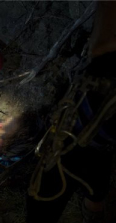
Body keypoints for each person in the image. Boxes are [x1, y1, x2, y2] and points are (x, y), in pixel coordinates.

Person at [26, 1, 116, 223]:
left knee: (41, 199)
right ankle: (93, 215)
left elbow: (99, 46)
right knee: (97, 186)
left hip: (78, 132)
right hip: (103, 138)